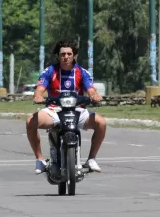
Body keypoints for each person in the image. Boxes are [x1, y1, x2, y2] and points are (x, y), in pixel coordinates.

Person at [27, 40, 107, 174]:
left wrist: (94, 96)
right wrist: (38, 96)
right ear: (58, 56)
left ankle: (91, 159)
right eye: (62, 54)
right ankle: (40, 159)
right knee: (30, 121)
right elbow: (40, 88)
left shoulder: (82, 72)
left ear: (74, 55)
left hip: (77, 110)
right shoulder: (50, 71)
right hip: (54, 110)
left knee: (101, 122)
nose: (66, 57)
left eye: (69, 54)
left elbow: (91, 90)